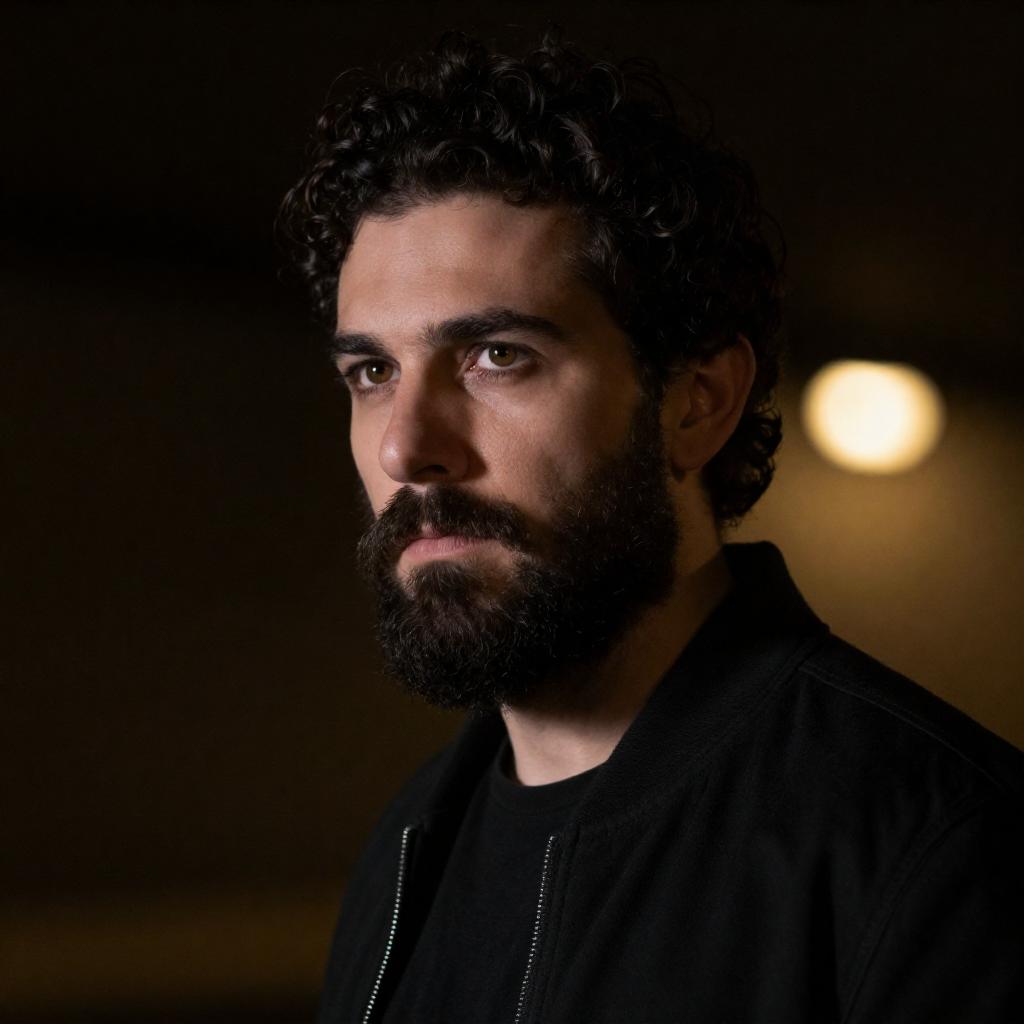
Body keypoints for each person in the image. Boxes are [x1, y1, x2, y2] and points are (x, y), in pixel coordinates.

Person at [278, 29, 1024, 1024]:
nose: (405, 447)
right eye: (372, 372)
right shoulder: (407, 850)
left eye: (498, 356)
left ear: (695, 403)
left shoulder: (936, 845)